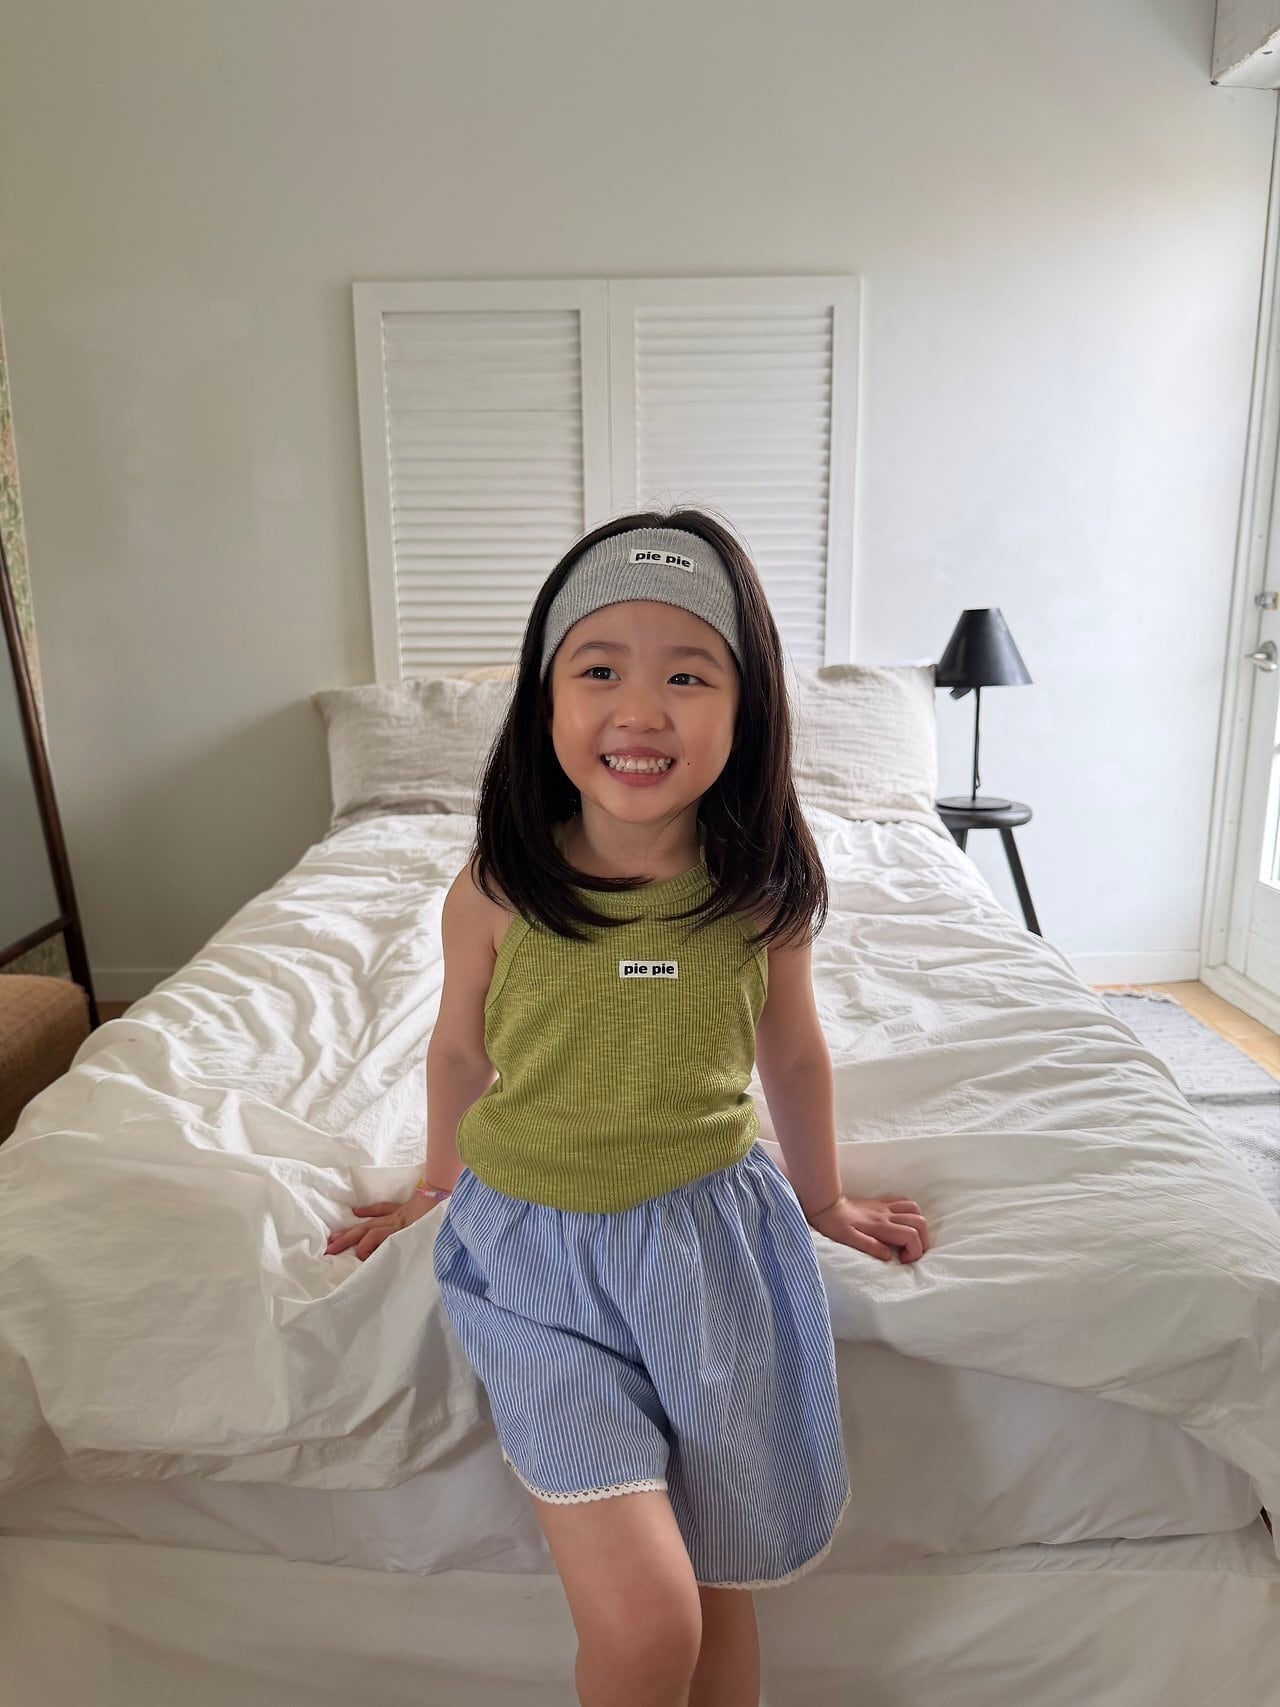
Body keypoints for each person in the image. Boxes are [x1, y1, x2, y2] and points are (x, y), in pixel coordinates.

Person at [324, 509, 931, 1707]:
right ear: (544, 701)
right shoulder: (496, 888)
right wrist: (436, 1186)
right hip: (531, 1261)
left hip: (710, 1252)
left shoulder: (759, 891)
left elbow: (792, 1055)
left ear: (745, 710)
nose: (640, 711)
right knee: (652, 1622)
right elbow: (458, 1052)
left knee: (718, 1586)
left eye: (687, 676)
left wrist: (823, 1200)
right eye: (598, 670)